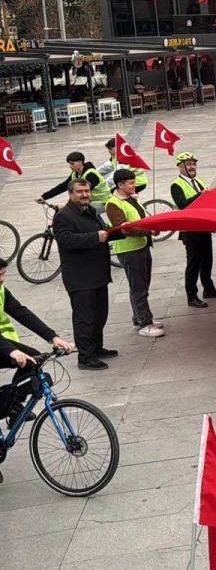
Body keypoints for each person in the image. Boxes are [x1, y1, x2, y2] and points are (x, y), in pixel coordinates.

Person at [0, 257, 77, 479]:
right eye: (0, 276)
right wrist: (12, 351)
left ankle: (12, 407)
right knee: (22, 357)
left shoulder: (2, 290)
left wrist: (52, 337)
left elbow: (21, 312)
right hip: (3, 346)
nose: (2, 280)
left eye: (3, 275)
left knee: (34, 359)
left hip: (1, 345)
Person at [52, 179, 123, 370]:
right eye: (80, 191)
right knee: (85, 319)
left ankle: (96, 348)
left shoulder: (89, 211)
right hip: (80, 278)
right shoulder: (64, 216)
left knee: (100, 315)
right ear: (70, 194)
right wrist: (94, 237)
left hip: (98, 274)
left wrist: (122, 230)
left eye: (87, 191)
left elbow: (104, 233)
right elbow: (66, 240)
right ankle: (85, 357)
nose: (84, 194)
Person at [106, 169, 163, 338]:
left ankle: (139, 317)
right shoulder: (113, 203)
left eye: (134, 182)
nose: (134, 185)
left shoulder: (132, 199)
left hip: (142, 247)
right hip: (129, 250)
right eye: (130, 183)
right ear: (120, 185)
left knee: (142, 285)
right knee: (138, 287)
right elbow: (125, 227)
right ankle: (145, 323)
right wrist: (149, 231)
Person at [171, 153, 216, 309]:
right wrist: (200, 195)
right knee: (193, 264)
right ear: (180, 166)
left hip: (203, 227)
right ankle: (191, 295)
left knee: (207, 260)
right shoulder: (176, 185)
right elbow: (183, 204)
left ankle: (208, 288)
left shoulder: (198, 181)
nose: (192, 167)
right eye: (188, 164)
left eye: (194, 164)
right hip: (190, 230)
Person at [38, 152, 113, 212]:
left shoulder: (91, 175)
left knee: (78, 212)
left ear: (80, 162)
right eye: (69, 164)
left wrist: (67, 206)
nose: (70, 166)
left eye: (72, 163)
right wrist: (44, 196)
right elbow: (63, 186)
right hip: (90, 202)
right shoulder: (75, 174)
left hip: (103, 202)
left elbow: (85, 193)